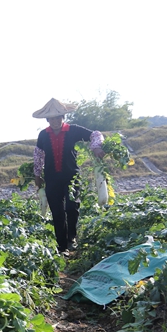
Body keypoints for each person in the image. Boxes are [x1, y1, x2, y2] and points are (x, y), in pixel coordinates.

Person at [32, 98, 105, 254]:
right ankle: (62, 246)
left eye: (58, 117)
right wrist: (37, 175)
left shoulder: (73, 130)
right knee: (57, 212)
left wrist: (96, 147)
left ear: (63, 117)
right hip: (52, 179)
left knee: (72, 207)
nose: (55, 121)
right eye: (52, 118)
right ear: (47, 120)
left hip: (72, 177)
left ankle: (72, 238)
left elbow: (95, 134)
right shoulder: (43, 135)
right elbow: (38, 155)